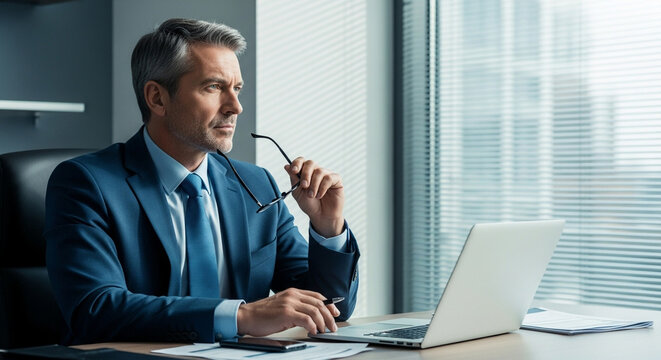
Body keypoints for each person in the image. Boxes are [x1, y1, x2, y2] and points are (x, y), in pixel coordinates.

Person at [44, 18, 359, 345]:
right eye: (213, 87)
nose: (235, 106)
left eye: (236, 89)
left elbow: (332, 309)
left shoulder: (258, 185)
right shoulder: (87, 183)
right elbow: (94, 309)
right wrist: (241, 316)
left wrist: (328, 228)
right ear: (157, 98)